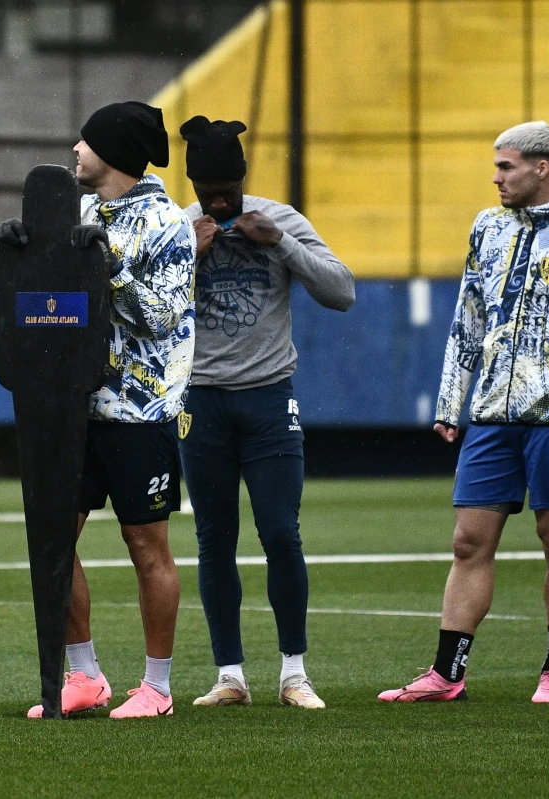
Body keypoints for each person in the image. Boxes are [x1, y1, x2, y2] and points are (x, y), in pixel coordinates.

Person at [379, 121, 549, 704]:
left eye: (506, 166)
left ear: (542, 168)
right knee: (469, 543)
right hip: (491, 415)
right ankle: (448, 675)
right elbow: (467, 317)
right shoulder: (487, 227)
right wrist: (452, 401)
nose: (496, 177)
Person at [0, 101, 196, 718]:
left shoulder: (168, 223)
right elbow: (47, 301)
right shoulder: (76, 212)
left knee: (146, 546)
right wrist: (21, 255)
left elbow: (162, 317)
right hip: (70, 406)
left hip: (141, 411)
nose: (75, 150)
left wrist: (107, 267)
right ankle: (84, 676)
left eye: (86, 140)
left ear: (114, 151)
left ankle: (157, 687)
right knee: (55, 538)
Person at [175, 116, 355, 710]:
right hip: (201, 400)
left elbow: (341, 291)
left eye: (228, 191)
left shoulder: (279, 219)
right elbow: (144, 309)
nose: (218, 204)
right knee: (214, 537)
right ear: (193, 185)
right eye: (208, 192)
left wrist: (280, 243)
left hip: (269, 398)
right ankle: (230, 676)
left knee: (280, 531)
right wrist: (185, 256)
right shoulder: (179, 228)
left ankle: (294, 673)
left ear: (244, 180)